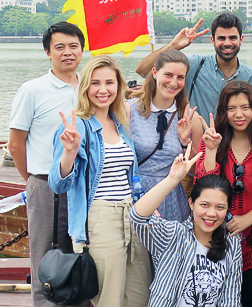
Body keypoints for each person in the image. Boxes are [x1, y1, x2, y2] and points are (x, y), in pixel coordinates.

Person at [49, 56, 151, 307]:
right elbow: (57, 184)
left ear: (119, 86)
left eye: (109, 82)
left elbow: (131, 177)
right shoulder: (77, 128)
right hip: (101, 218)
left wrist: (146, 206)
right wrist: (69, 153)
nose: (103, 90)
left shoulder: (120, 124)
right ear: (85, 87)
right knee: (109, 299)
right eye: (95, 83)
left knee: (140, 295)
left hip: (133, 215)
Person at [8, 21, 85, 307]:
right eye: (60, 47)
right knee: (46, 259)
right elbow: (15, 144)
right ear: (47, 52)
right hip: (46, 186)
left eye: (73, 46)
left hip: (85, 185)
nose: (67, 53)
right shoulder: (33, 90)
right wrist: (34, 180)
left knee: (81, 256)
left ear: (82, 50)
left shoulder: (91, 87)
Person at [195, 81, 252, 307]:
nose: (239, 114)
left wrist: (250, 216)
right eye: (231, 109)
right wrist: (210, 150)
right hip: (215, 235)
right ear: (223, 111)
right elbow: (203, 186)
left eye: (245, 107)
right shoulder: (212, 140)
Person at [131, 149, 243, 307]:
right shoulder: (173, 235)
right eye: (204, 205)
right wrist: (173, 179)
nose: (211, 213)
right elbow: (138, 217)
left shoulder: (232, 245)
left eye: (220, 207)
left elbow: (231, 299)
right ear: (191, 203)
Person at [136, 12, 252, 122]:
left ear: (241, 40)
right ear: (213, 40)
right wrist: (174, 45)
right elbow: (143, 71)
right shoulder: (196, 65)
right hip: (194, 143)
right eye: (221, 38)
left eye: (232, 38)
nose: (227, 43)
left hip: (232, 145)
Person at [129, 49, 203, 222]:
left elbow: (196, 171)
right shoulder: (130, 110)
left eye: (180, 77)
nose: (173, 83)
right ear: (155, 73)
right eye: (168, 75)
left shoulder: (191, 119)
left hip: (171, 198)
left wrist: (186, 143)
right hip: (137, 193)